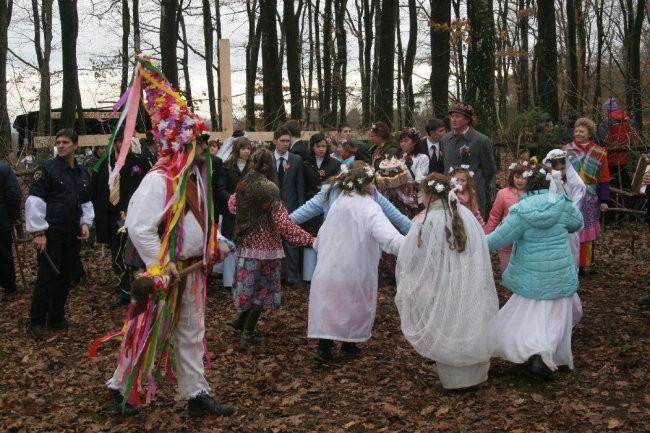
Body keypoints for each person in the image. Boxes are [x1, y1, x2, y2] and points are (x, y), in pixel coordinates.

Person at [105, 57, 233, 418]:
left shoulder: (196, 181)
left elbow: (204, 220)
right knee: (150, 330)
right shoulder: (159, 180)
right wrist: (160, 266)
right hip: (168, 274)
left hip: (192, 272)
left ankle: (196, 395)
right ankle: (121, 386)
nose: (207, 151)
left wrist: (217, 241)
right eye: (201, 144)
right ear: (182, 147)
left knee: (192, 331)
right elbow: (138, 227)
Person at [395, 173, 498, 390]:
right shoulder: (466, 215)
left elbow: (413, 252)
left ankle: (455, 381)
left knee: (448, 324)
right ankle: (475, 375)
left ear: (429, 195)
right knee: (467, 322)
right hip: (467, 280)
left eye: (422, 193)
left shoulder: (429, 220)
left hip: (444, 283)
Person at [486, 164, 584, 381]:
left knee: (531, 317)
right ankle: (544, 354)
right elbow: (578, 223)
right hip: (559, 275)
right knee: (554, 319)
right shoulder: (563, 205)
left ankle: (535, 352)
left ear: (529, 184)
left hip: (532, 276)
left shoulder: (521, 211)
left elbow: (498, 239)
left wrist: (473, 243)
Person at [307, 162, 404, 362]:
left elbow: (324, 232)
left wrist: (320, 247)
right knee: (353, 304)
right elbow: (387, 235)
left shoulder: (340, 202)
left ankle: (326, 346)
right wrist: (407, 246)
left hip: (332, 264)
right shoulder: (369, 207)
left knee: (330, 305)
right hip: (355, 267)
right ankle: (347, 343)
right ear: (366, 184)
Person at [231, 149, 314, 346]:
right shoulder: (268, 188)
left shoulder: (243, 183)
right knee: (262, 290)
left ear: (252, 163)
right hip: (265, 248)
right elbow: (283, 223)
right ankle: (248, 333)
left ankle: (241, 321)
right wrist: (309, 239)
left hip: (245, 244)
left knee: (248, 287)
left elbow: (237, 209)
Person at [25, 128, 94, 340]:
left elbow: (85, 200)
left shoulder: (82, 172)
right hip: (51, 232)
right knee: (48, 276)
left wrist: (85, 223)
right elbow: (35, 200)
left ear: (75, 145)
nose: (61, 145)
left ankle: (56, 317)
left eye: (65, 142)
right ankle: (36, 321)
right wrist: (38, 232)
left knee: (65, 276)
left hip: (71, 232)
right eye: (59, 142)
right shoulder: (46, 170)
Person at [91, 130, 152, 308]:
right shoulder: (103, 165)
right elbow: (95, 191)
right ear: (113, 143)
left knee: (138, 255)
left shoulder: (140, 163)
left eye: (125, 141)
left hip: (135, 218)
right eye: (118, 141)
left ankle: (142, 289)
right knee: (117, 256)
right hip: (112, 219)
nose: (122, 145)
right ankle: (122, 291)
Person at [289, 161, 412, 236]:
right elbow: (304, 212)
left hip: (364, 250)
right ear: (362, 182)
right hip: (335, 248)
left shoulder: (374, 195)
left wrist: (417, 232)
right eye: (372, 182)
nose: (374, 186)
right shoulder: (330, 192)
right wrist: (282, 224)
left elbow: (397, 217)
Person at [563, 117, 610, 277]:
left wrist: (604, 200)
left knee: (586, 232)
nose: (578, 133)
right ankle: (570, 262)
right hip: (571, 195)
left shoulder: (599, 153)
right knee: (571, 230)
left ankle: (583, 265)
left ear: (590, 133)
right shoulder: (566, 151)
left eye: (581, 131)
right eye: (576, 130)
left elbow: (604, 178)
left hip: (590, 198)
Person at [441, 102, 496, 219]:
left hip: (473, 195)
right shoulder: (445, 139)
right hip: (450, 193)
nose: (453, 119)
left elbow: (489, 169)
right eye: (452, 116)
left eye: (457, 116)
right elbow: (445, 164)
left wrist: (476, 183)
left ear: (467, 120)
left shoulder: (481, 140)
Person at [301, 133, 341, 282]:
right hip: (309, 203)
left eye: (324, 146)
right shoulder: (305, 164)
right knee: (310, 237)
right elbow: (302, 184)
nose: (321, 149)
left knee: (328, 237)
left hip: (328, 204)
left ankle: (327, 273)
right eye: (318, 146)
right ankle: (309, 275)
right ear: (312, 147)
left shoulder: (335, 164)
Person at [271, 126, 305, 286]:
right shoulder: (268, 159)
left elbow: (300, 187)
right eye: (282, 141)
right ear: (274, 141)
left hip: (291, 207)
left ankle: (293, 276)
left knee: (291, 243)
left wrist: (300, 210)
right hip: (271, 207)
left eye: (287, 141)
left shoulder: (296, 160)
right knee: (273, 243)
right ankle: (275, 277)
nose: (285, 144)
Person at [216, 136, 251, 291]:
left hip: (248, 212)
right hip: (230, 212)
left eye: (248, 148)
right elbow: (220, 188)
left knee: (247, 244)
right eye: (243, 148)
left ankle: (246, 279)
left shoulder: (253, 167)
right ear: (237, 150)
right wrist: (230, 198)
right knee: (230, 243)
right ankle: (229, 280)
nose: (246, 151)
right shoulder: (227, 166)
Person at [543, 149, 586, 270]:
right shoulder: (544, 182)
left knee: (569, 254)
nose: (560, 172)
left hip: (568, 226)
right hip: (549, 225)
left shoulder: (576, 184)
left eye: (562, 168)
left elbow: (575, 207)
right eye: (556, 169)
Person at [483, 160, 529, 273]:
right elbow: (495, 216)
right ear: (512, 176)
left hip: (526, 241)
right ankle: (509, 291)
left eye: (524, 177)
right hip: (506, 241)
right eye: (517, 177)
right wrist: (487, 236)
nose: (520, 180)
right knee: (507, 271)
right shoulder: (503, 193)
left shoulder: (532, 193)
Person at [597, 97, 632, 189]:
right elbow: (635, 137)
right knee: (624, 178)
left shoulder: (606, 122)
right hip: (626, 156)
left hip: (611, 157)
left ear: (607, 110)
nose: (603, 112)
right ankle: (627, 196)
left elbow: (604, 140)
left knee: (612, 180)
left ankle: (615, 199)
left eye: (604, 110)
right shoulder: (628, 120)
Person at [0, 160, 21, 301]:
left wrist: (12, 215)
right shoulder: (3, 168)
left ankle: (9, 287)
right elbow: (13, 194)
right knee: (3, 253)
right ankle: (9, 287)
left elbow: (13, 194)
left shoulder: (3, 169)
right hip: (2, 218)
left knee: (3, 253)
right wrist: (13, 215)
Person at [397, 127, 429, 210]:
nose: (402, 144)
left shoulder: (422, 158)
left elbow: (419, 180)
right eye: (401, 141)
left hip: (417, 199)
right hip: (400, 198)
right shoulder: (400, 157)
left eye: (406, 141)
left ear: (414, 142)